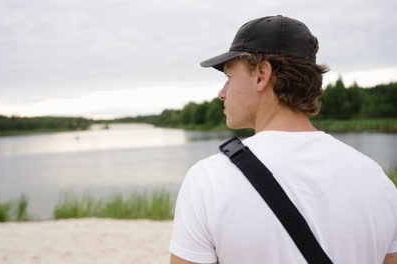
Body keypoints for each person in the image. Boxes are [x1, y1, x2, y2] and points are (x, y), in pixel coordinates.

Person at [168, 15, 397, 264]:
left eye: (229, 78)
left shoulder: (209, 180)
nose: (222, 93)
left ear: (261, 75)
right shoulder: (376, 179)